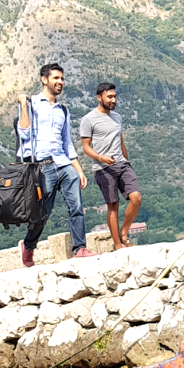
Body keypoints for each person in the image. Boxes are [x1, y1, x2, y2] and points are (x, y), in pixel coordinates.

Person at [16, 63, 95, 266]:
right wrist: (23, 106)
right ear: (44, 79)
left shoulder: (63, 110)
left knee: (76, 206)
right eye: (56, 78)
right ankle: (29, 245)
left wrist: (78, 169)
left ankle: (79, 248)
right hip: (42, 166)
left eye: (62, 78)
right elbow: (23, 133)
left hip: (63, 163)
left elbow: (67, 142)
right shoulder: (31, 103)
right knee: (42, 214)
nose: (60, 82)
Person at [79, 82, 142, 250]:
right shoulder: (88, 119)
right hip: (103, 168)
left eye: (115, 96)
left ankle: (124, 232)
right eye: (110, 97)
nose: (113, 100)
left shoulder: (117, 117)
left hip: (122, 164)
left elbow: (120, 141)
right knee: (113, 205)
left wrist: (127, 161)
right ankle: (117, 244)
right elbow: (85, 147)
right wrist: (101, 158)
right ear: (99, 98)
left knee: (136, 198)